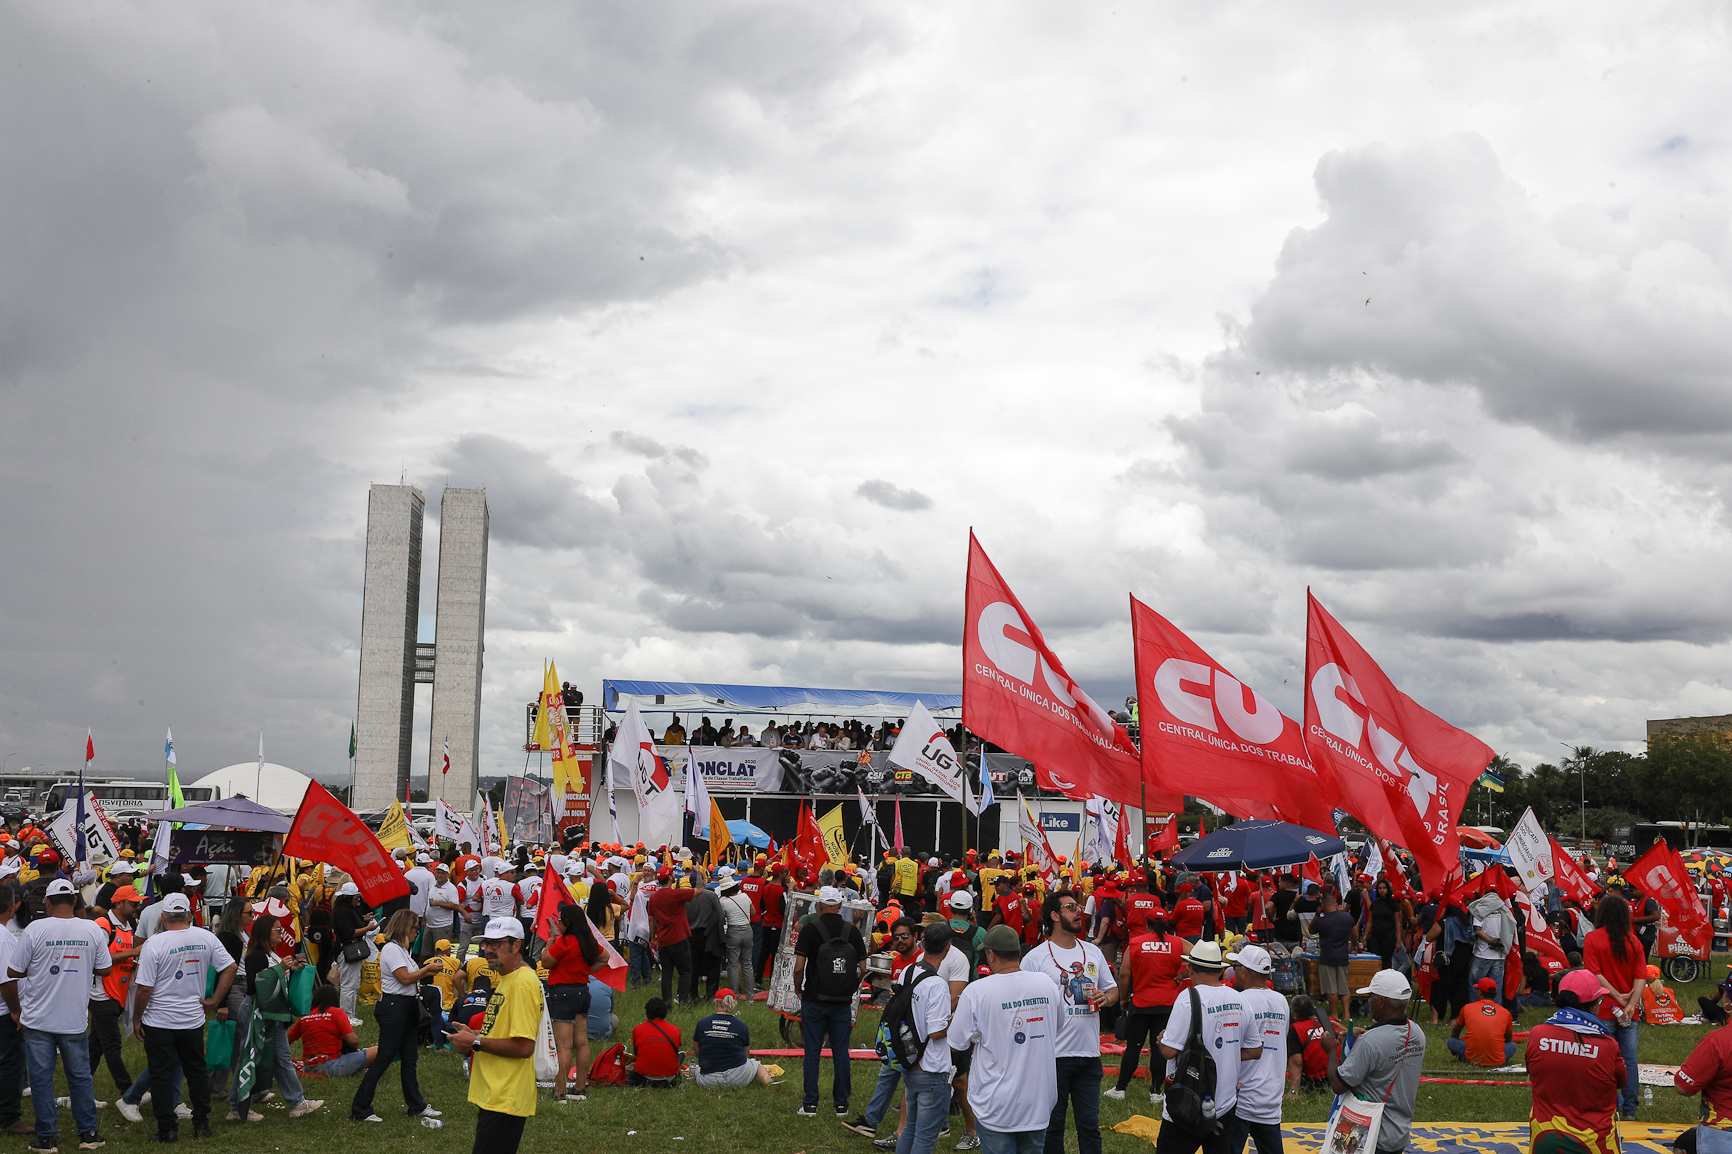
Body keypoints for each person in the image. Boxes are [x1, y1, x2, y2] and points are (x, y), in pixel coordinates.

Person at [8, 877, 113, 1152]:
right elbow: (105, 969)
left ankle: (46, 1137)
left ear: (49, 902)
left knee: (42, 1079)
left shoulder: (35, 929)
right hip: (73, 1018)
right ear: (75, 900)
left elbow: (13, 971)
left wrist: (41, 967)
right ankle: (88, 1134)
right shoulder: (92, 929)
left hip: (38, 1017)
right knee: (79, 1077)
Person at [1019, 889, 1115, 1154]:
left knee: (1089, 1128)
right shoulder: (1035, 958)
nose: (1078, 911)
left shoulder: (1092, 952)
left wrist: (1107, 998)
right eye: (1071, 907)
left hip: (1089, 1055)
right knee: (1053, 1127)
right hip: (1053, 1056)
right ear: (1054, 915)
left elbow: (1113, 989)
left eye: (1079, 906)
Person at [949, 924, 1058, 1154]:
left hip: (995, 1105)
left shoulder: (977, 991)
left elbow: (956, 1042)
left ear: (991, 954)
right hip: (1038, 1102)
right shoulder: (1046, 983)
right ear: (1018, 953)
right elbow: (1056, 1025)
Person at [1151, 941, 1261, 1154]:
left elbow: (1168, 1051)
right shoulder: (1239, 1000)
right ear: (1221, 970)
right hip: (1225, 1106)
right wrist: (1225, 1052)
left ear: (1190, 968)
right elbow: (1255, 1050)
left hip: (1186, 1103)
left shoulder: (1188, 999)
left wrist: (1162, 1040)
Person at [448, 916, 542, 1154]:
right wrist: (476, 1033)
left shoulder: (523, 982)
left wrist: (476, 1042)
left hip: (506, 1095)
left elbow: (524, 1047)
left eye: (496, 944)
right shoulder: (507, 979)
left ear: (516, 945)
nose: (488, 950)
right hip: (496, 1091)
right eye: (486, 944)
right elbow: (505, 1030)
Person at [1319, 970, 1427, 1154]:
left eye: (1371, 996)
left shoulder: (1369, 1043)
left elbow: (1338, 1085)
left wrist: (1330, 1050)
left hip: (1369, 1135)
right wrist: (1366, 1033)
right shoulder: (1416, 1032)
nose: (1368, 1001)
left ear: (1382, 1001)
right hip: (1398, 1132)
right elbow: (1389, 1042)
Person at [350, 909, 441, 1124]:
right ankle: (360, 1108)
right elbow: (405, 978)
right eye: (414, 928)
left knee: (410, 1059)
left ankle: (416, 1105)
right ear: (404, 927)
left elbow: (409, 977)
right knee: (384, 1059)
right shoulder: (391, 949)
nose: (417, 932)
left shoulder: (402, 950)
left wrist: (426, 971)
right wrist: (426, 968)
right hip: (394, 1007)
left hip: (405, 1007)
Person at [228, 912, 321, 1123]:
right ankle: (237, 1107)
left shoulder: (272, 954)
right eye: (277, 929)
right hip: (257, 1012)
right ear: (264, 933)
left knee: (281, 1057)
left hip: (271, 1013)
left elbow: (277, 978)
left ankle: (296, 1102)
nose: (281, 933)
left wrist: (291, 969)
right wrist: (281, 968)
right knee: (249, 1056)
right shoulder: (256, 956)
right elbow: (253, 985)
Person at [1528, 969, 1625, 1154]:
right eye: (1600, 1001)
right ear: (1593, 1006)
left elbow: (1533, 1071)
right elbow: (1621, 1082)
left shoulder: (1537, 1035)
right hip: (1594, 1141)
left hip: (1545, 1138)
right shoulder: (1608, 1045)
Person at [792, 886, 866, 1117]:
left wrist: (799, 989)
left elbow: (799, 968)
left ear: (819, 906)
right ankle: (841, 1105)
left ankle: (810, 1105)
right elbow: (863, 968)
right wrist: (850, 988)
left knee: (812, 1051)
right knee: (841, 1052)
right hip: (842, 1002)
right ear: (841, 906)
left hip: (814, 999)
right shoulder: (851, 931)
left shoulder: (810, 930)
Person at [1109, 907, 1186, 1103]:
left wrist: (1124, 999)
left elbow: (1124, 974)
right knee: (1159, 1047)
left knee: (1133, 1047)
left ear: (1146, 924)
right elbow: (1197, 957)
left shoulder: (1135, 943)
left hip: (1141, 1002)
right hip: (1167, 1003)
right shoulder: (1177, 943)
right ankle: (1156, 1092)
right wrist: (1181, 975)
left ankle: (1120, 1088)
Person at [1583, 892, 1645, 1120]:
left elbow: (1594, 972)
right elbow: (1641, 977)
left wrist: (1617, 997)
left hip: (1604, 1008)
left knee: (1600, 1059)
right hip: (1630, 1012)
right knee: (1629, 1059)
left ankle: (1606, 1107)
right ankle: (1630, 1111)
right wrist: (1631, 1004)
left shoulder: (1592, 939)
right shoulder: (1634, 942)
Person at [1225, 944, 1289, 1154]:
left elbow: (1231, 1045)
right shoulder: (1281, 1001)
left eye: (1236, 966)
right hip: (1271, 1097)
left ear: (1244, 971)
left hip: (1242, 1097)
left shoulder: (1240, 1001)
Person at [543, 903, 602, 1103]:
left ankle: (560, 1091)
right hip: (582, 991)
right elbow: (605, 957)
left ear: (568, 922)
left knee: (564, 1046)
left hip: (563, 993)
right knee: (582, 1043)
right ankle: (579, 1089)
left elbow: (545, 961)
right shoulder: (588, 941)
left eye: (560, 919)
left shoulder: (564, 942)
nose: (558, 923)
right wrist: (585, 971)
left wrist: (551, 939)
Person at [89, 884, 141, 1099]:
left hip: (118, 994)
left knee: (95, 1047)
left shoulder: (129, 926)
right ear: (119, 903)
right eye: (134, 903)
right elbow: (98, 959)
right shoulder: (103, 925)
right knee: (112, 1045)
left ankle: (80, 1089)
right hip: (102, 995)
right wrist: (134, 951)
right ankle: (129, 1092)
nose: (137, 907)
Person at [290, 984, 378, 1076]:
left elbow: (285, 1042)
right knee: (377, 1050)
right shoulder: (337, 1012)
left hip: (309, 1066)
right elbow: (353, 1041)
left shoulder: (305, 1017)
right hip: (332, 1065)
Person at [694, 988, 771, 1089]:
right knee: (755, 1064)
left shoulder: (702, 1023)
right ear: (734, 1004)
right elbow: (746, 1054)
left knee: (696, 1069)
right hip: (737, 1079)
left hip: (708, 1081)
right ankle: (768, 1084)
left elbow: (696, 1049)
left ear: (716, 1003)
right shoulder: (741, 1026)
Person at [647, 866, 696, 1005]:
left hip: (663, 940)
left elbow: (651, 919)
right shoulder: (676, 894)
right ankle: (683, 1001)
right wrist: (697, 873)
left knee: (667, 973)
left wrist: (653, 938)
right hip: (679, 938)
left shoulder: (654, 897)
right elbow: (699, 890)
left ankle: (667, 1003)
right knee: (685, 972)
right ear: (669, 877)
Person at [1313, 889, 1359, 1023]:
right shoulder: (1347, 917)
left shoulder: (1322, 920)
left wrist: (1317, 914)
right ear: (1335, 904)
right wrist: (1354, 945)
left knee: (1331, 989)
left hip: (1327, 958)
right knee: (1344, 988)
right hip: (1343, 957)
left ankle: (1334, 1014)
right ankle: (1347, 1014)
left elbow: (1311, 930)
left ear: (1323, 905)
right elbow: (1355, 933)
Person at [1447, 976, 1516, 1066]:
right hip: (1498, 1061)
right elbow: (1508, 1038)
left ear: (1479, 993)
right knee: (1512, 1045)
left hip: (1471, 1058)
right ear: (1495, 994)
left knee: (1451, 1041)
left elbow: (1456, 1031)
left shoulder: (1467, 1008)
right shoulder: (1505, 1012)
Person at [332, 884, 376, 1017]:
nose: (358, 900)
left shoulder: (351, 909)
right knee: (348, 985)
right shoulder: (343, 912)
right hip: (346, 950)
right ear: (347, 897)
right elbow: (349, 933)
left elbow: (353, 925)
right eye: (356, 897)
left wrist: (363, 920)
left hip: (351, 949)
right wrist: (367, 929)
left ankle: (351, 1015)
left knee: (354, 984)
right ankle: (346, 1016)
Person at [1284, 996, 1340, 1096]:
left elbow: (1297, 1063)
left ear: (1295, 1016)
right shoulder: (1330, 1022)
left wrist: (1294, 1091)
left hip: (1316, 1081)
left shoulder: (1295, 1030)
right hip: (1339, 1077)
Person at [718, 874, 756, 1000]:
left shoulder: (724, 903)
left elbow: (722, 920)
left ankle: (734, 995)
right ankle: (750, 996)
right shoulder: (745, 896)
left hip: (733, 931)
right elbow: (753, 912)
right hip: (747, 929)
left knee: (733, 965)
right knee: (747, 964)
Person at [628, 998, 682, 1087]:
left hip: (643, 1078)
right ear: (665, 1014)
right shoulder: (675, 1030)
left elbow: (637, 1054)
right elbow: (674, 1052)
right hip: (669, 1079)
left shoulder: (638, 1029)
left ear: (647, 1015)